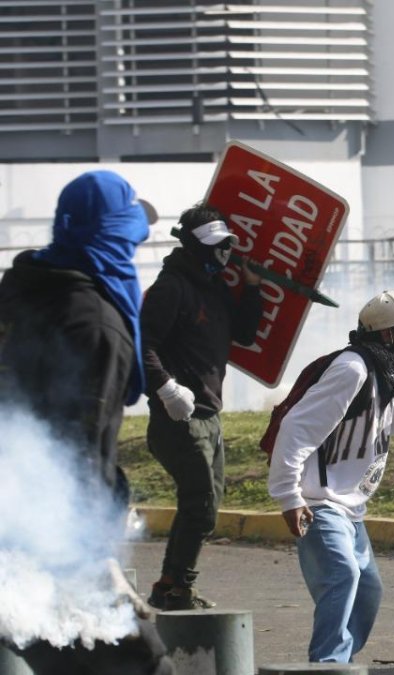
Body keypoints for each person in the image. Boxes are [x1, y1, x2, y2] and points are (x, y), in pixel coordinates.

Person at [0, 170, 173, 674]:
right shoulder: (93, 322)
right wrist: (96, 555)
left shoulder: (21, 292)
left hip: (14, 532)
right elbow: (80, 445)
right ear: (112, 237)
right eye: (129, 232)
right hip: (48, 541)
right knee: (143, 667)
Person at [267, 290, 394, 664]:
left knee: (367, 593)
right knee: (342, 576)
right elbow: (295, 430)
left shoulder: (378, 371)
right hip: (320, 502)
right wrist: (290, 496)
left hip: (351, 509)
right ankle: (328, 665)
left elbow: (380, 422)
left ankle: (335, 663)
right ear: (386, 335)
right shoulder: (351, 370)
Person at [141, 204, 264, 611]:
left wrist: (252, 288)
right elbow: (142, 347)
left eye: (227, 245)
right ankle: (174, 588)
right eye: (215, 246)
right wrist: (166, 389)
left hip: (209, 415)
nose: (223, 253)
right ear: (192, 247)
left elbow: (245, 333)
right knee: (201, 506)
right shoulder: (171, 287)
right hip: (178, 417)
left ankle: (172, 585)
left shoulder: (215, 288)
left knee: (204, 509)